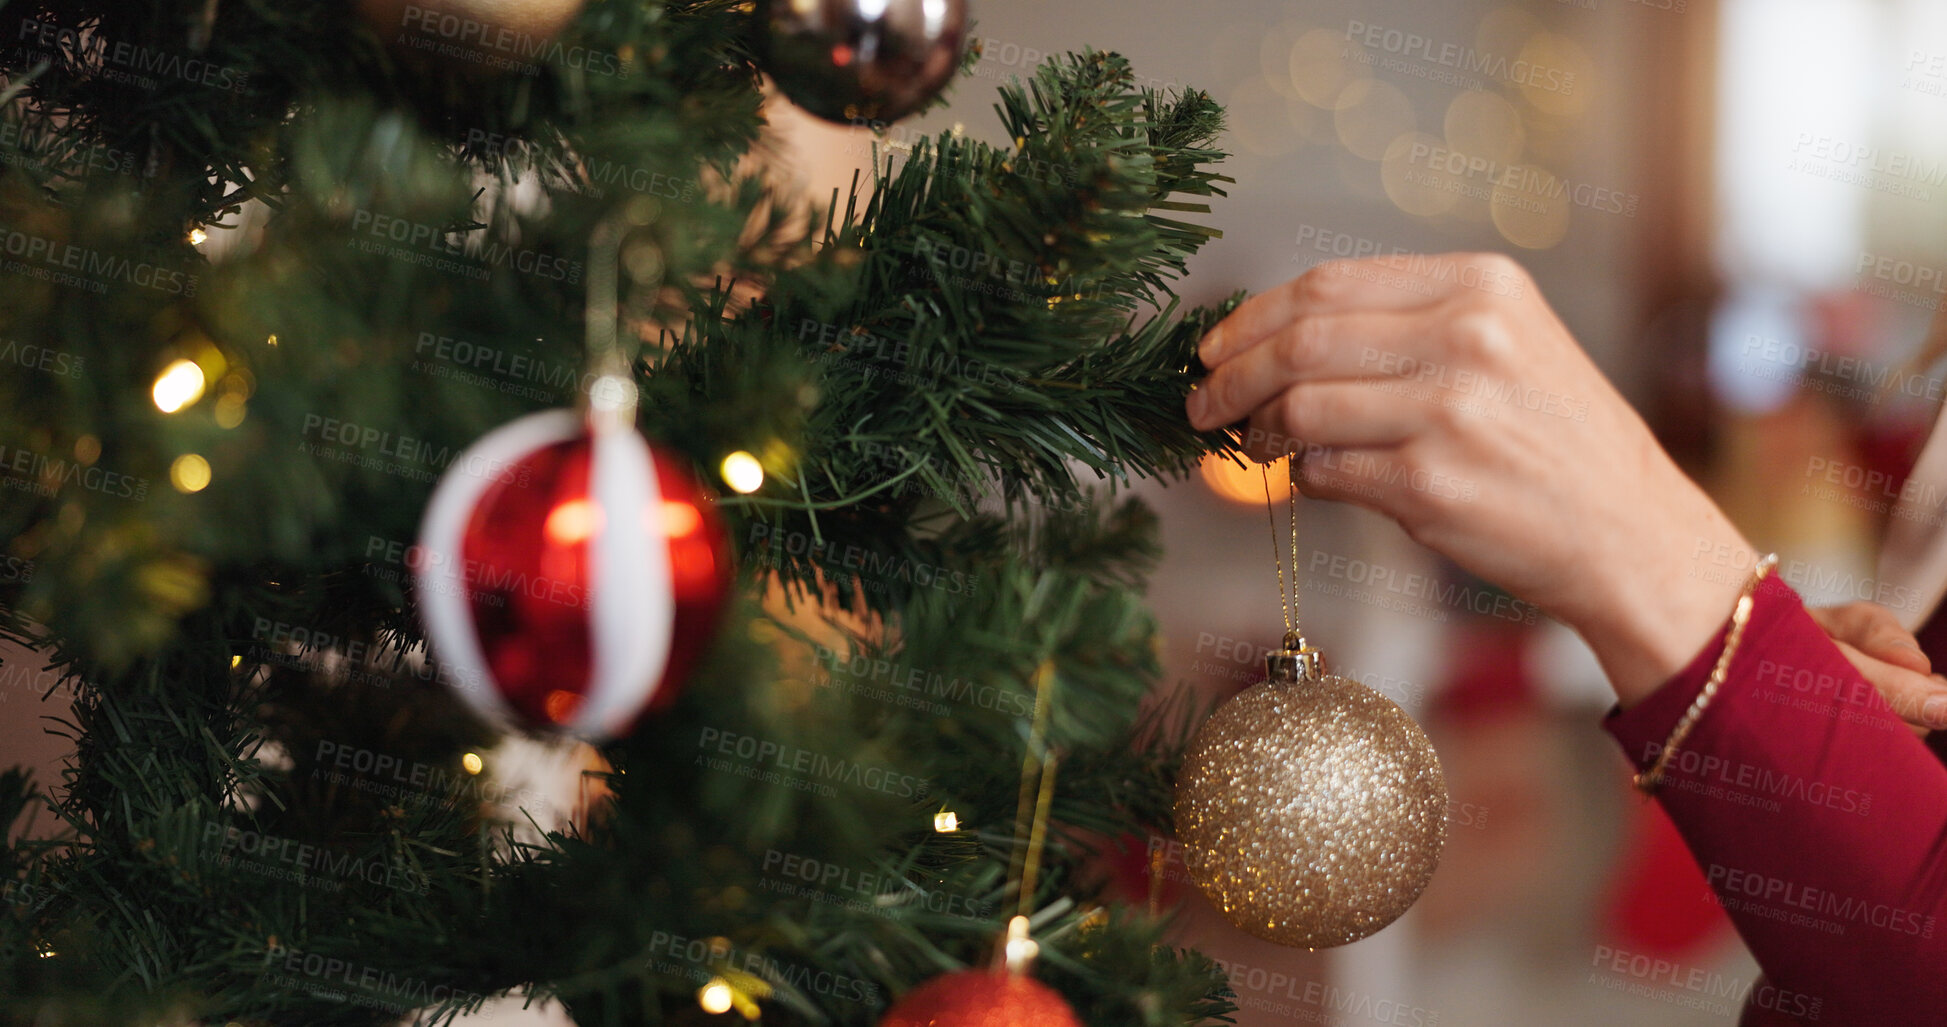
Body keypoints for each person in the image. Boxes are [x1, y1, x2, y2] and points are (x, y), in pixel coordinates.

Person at [1185, 252, 1947, 1025]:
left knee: (1463, 808)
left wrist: (1673, 576)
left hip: (1649, 813)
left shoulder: (1837, 515)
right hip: (1696, 790)